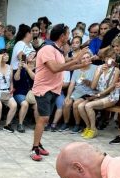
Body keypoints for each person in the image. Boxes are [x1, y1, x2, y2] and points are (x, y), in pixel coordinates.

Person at [30, 24, 91, 162]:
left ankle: (38, 144)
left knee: (45, 118)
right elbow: (55, 68)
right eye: (68, 34)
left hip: (53, 89)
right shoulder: (47, 48)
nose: (69, 37)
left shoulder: (58, 50)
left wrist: (81, 64)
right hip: (43, 89)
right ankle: (34, 148)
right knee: (43, 119)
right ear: (62, 36)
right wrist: (76, 58)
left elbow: (65, 66)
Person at [78, 50, 120, 139]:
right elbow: (93, 86)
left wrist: (98, 95)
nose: (111, 60)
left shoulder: (116, 70)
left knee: (88, 105)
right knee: (80, 106)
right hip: (99, 94)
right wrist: (99, 73)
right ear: (105, 59)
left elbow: (112, 87)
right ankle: (88, 127)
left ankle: (93, 130)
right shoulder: (99, 68)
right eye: (109, 58)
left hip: (111, 96)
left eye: (113, 58)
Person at [63, 51, 97, 134]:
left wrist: (88, 82)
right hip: (78, 91)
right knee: (66, 103)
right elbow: (72, 84)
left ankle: (77, 124)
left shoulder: (96, 68)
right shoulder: (77, 70)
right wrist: (68, 96)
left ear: (90, 58)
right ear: (80, 60)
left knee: (75, 104)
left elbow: (96, 85)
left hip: (89, 91)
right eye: (83, 58)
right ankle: (66, 123)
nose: (85, 60)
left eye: (87, 57)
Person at [0, 49, 17, 132]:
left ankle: (7, 125)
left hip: (6, 91)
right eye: (4, 55)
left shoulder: (10, 67)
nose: (7, 56)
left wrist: (11, 88)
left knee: (14, 105)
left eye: (7, 55)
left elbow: (11, 80)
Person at [13, 52, 37, 133]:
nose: (30, 56)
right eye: (29, 54)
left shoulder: (39, 69)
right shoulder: (21, 66)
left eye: (33, 55)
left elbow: (35, 78)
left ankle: (38, 125)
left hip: (32, 93)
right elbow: (16, 79)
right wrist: (19, 69)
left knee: (37, 105)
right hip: (20, 92)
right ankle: (20, 124)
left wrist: (27, 68)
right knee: (25, 104)